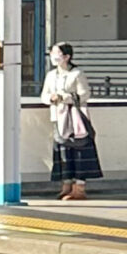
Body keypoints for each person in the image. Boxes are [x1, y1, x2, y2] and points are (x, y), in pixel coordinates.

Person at [43, 41, 102, 200]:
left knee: (79, 152)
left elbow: (84, 95)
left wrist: (65, 97)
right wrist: (51, 98)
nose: (53, 57)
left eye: (57, 53)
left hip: (76, 121)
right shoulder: (50, 75)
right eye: (52, 53)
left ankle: (79, 188)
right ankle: (66, 185)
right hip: (58, 118)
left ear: (67, 56)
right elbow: (44, 96)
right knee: (63, 154)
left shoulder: (77, 74)